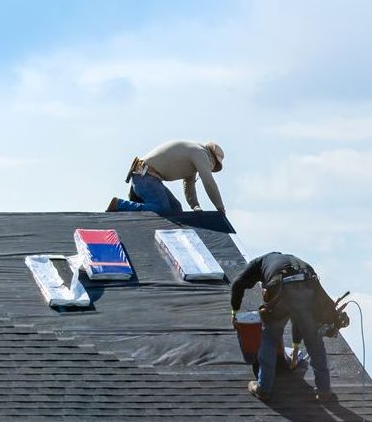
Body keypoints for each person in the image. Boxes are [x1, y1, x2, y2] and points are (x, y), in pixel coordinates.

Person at [229, 252, 336, 403]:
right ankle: (324, 391)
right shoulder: (295, 261)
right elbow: (299, 316)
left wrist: (234, 311)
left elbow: (237, 283)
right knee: (314, 342)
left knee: (270, 337)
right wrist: (295, 348)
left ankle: (263, 388)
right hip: (308, 285)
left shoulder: (258, 264)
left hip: (282, 287)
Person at [106, 140, 226, 215]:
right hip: (144, 177)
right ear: (212, 158)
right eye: (213, 166)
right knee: (163, 209)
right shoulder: (200, 153)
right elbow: (209, 182)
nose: (210, 169)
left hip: (146, 177)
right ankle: (120, 205)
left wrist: (195, 206)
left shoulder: (194, 154)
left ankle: (135, 210)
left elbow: (189, 184)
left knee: (176, 210)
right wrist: (220, 208)